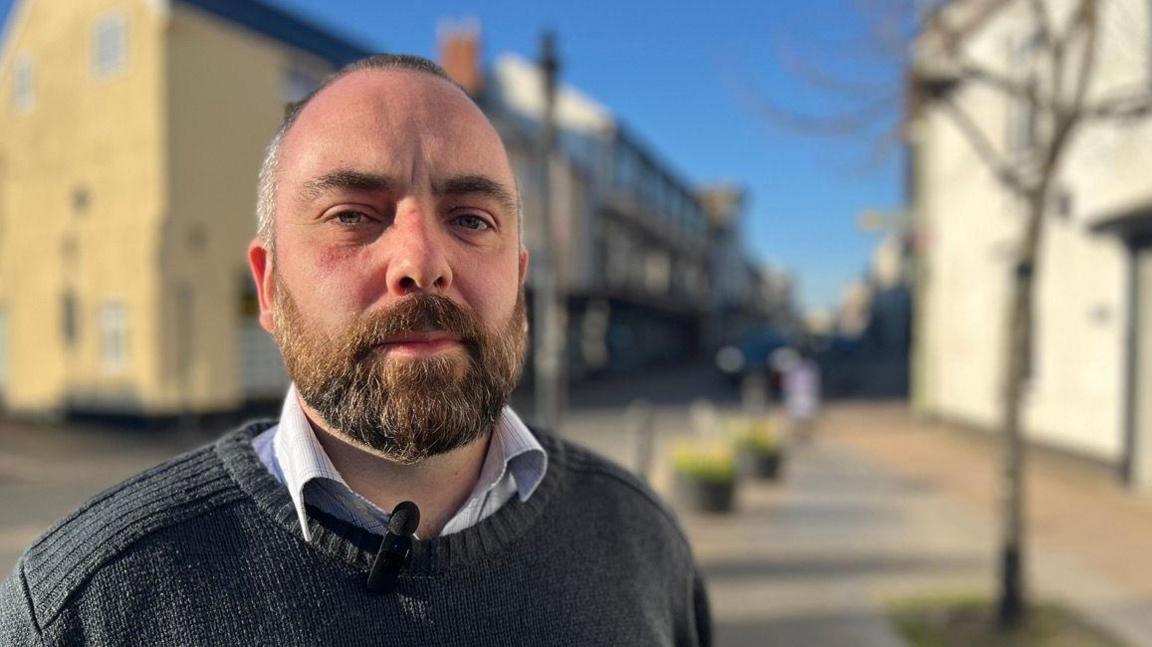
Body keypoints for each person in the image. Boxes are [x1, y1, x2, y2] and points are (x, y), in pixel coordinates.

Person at [0, 54, 710, 646]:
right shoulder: (82, 608)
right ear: (269, 287)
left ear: (519, 281)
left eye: (470, 217)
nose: (422, 260)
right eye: (352, 216)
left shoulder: (643, 544)